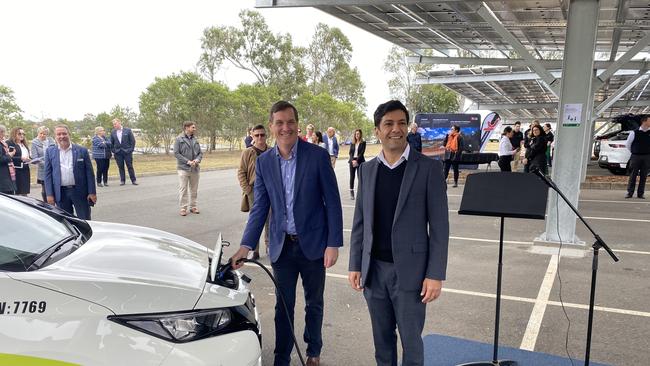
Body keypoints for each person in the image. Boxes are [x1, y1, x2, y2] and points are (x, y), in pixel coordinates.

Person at [230, 101, 343, 366]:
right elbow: (260, 207)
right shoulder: (265, 162)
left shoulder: (317, 156)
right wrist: (245, 247)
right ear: (271, 127)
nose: (285, 127)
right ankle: (282, 357)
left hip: (315, 245)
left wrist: (333, 243)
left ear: (297, 125)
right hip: (282, 248)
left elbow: (333, 202)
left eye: (290, 122)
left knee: (314, 303)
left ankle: (313, 352)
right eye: (279, 123)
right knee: (283, 307)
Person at [348, 100, 449, 366]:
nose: (396, 129)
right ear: (377, 131)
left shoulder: (428, 169)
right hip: (374, 273)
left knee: (411, 343)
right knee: (382, 343)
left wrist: (435, 274)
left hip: (411, 274)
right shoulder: (367, 171)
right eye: (389, 124)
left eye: (401, 123)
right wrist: (355, 264)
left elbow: (439, 227)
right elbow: (360, 221)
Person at [44, 125, 96, 220]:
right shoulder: (50, 152)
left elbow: (89, 173)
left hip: (79, 191)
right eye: (58, 134)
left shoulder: (82, 151)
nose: (62, 136)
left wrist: (92, 192)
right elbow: (47, 175)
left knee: (85, 220)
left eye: (64, 133)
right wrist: (49, 194)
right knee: (66, 222)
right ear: (55, 136)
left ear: (69, 134)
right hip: (61, 193)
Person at [237, 124, 270, 260]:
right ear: (252, 136)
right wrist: (247, 189)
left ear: (266, 135)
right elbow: (241, 172)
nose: (260, 137)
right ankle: (254, 250)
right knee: (255, 221)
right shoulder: (247, 152)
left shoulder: (272, 151)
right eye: (257, 135)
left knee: (271, 220)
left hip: (270, 191)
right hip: (254, 191)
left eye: (262, 135)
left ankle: (270, 246)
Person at [174, 121, 203, 216]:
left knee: (194, 189)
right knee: (183, 189)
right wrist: (188, 161)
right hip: (183, 168)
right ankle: (183, 208)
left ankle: (193, 207)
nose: (195, 129)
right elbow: (176, 153)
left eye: (194, 127)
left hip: (195, 168)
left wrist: (196, 160)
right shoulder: (179, 139)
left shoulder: (195, 139)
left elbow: (200, 153)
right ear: (186, 128)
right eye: (193, 127)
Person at [625, 114, 650, 199]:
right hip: (635, 156)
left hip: (647, 157)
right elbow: (628, 144)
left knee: (644, 176)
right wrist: (634, 151)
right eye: (649, 120)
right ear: (644, 121)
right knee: (633, 175)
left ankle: (640, 194)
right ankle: (630, 193)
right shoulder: (634, 132)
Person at [110, 118, 137, 185]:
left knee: (130, 166)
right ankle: (122, 180)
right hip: (118, 153)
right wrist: (114, 151)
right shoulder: (113, 132)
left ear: (119, 123)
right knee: (121, 167)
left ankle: (133, 180)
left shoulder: (127, 130)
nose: (114, 125)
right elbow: (111, 143)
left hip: (127, 152)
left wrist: (131, 150)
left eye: (115, 124)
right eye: (113, 124)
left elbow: (132, 141)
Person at [31, 126, 55, 201]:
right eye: (41, 133)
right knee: (45, 189)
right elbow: (35, 158)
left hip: (54, 168)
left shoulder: (51, 141)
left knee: (54, 188)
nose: (42, 135)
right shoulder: (34, 142)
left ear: (47, 134)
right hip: (43, 170)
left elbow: (55, 153)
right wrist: (47, 165)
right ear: (38, 133)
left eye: (44, 134)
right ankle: (46, 205)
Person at [7, 127, 31, 196]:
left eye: (23, 134)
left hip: (26, 170)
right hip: (16, 171)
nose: (22, 135)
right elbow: (9, 157)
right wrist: (20, 158)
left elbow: (27, 156)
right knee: (18, 193)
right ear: (14, 134)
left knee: (25, 192)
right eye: (19, 134)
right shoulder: (10, 143)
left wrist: (32, 160)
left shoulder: (24, 144)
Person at [348, 129, 366, 200]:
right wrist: (353, 160)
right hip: (352, 161)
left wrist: (357, 161)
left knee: (360, 177)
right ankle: (351, 193)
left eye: (358, 134)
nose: (357, 135)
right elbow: (350, 153)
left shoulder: (363, 142)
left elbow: (362, 153)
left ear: (360, 134)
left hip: (360, 161)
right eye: (356, 134)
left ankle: (360, 193)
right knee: (352, 177)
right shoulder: (352, 143)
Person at [0, 125, 16, 194]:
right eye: (4, 133)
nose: (4, 135)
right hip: (3, 178)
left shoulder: (3, 143)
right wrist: (9, 155)